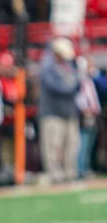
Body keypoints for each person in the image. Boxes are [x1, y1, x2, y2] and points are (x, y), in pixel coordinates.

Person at [38, 37, 80, 183]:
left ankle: (70, 172)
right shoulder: (47, 67)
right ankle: (54, 174)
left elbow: (78, 84)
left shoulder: (69, 66)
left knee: (72, 145)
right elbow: (59, 88)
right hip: (53, 112)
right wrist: (73, 86)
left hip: (69, 111)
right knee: (53, 146)